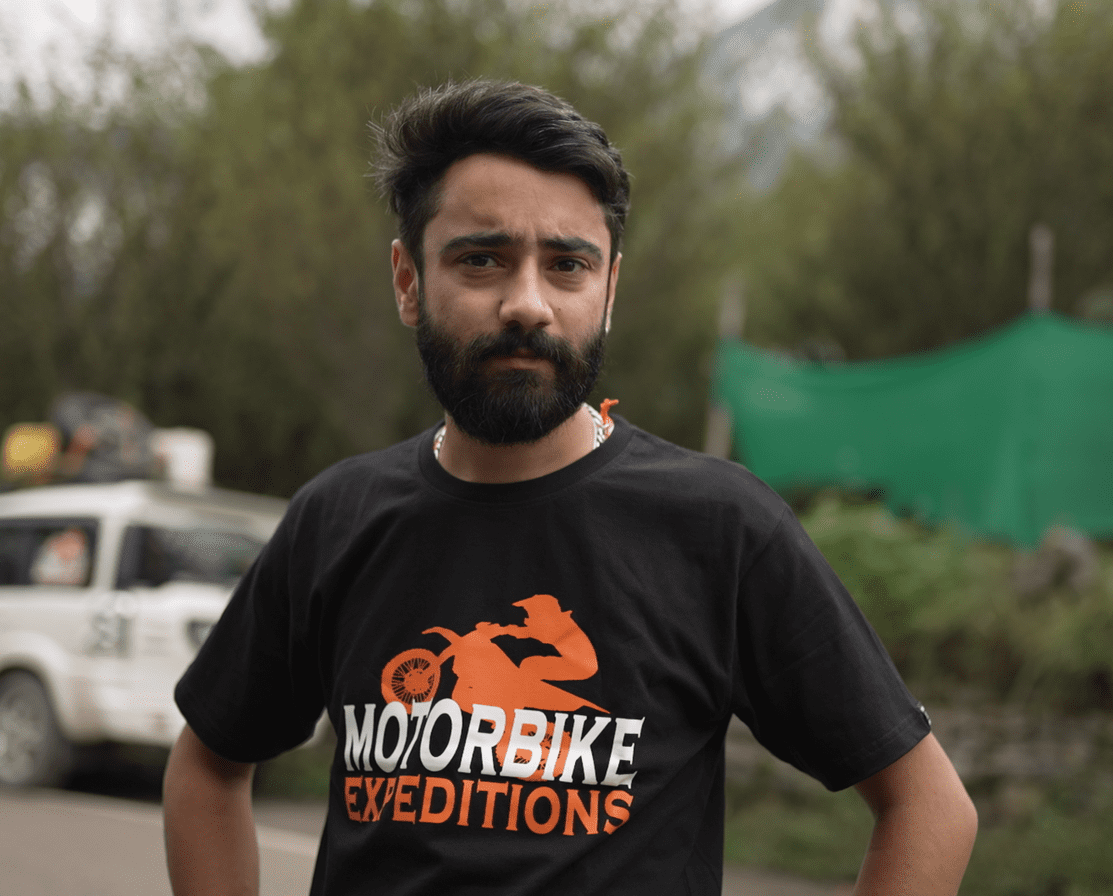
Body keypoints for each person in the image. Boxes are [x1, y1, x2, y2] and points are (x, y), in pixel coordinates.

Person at [163, 80, 977, 895]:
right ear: (408, 280)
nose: (527, 303)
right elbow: (207, 767)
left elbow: (929, 808)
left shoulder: (721, 529)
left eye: (566, 265)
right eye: (481, 258)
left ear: (610, 290)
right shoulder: (335, 521)